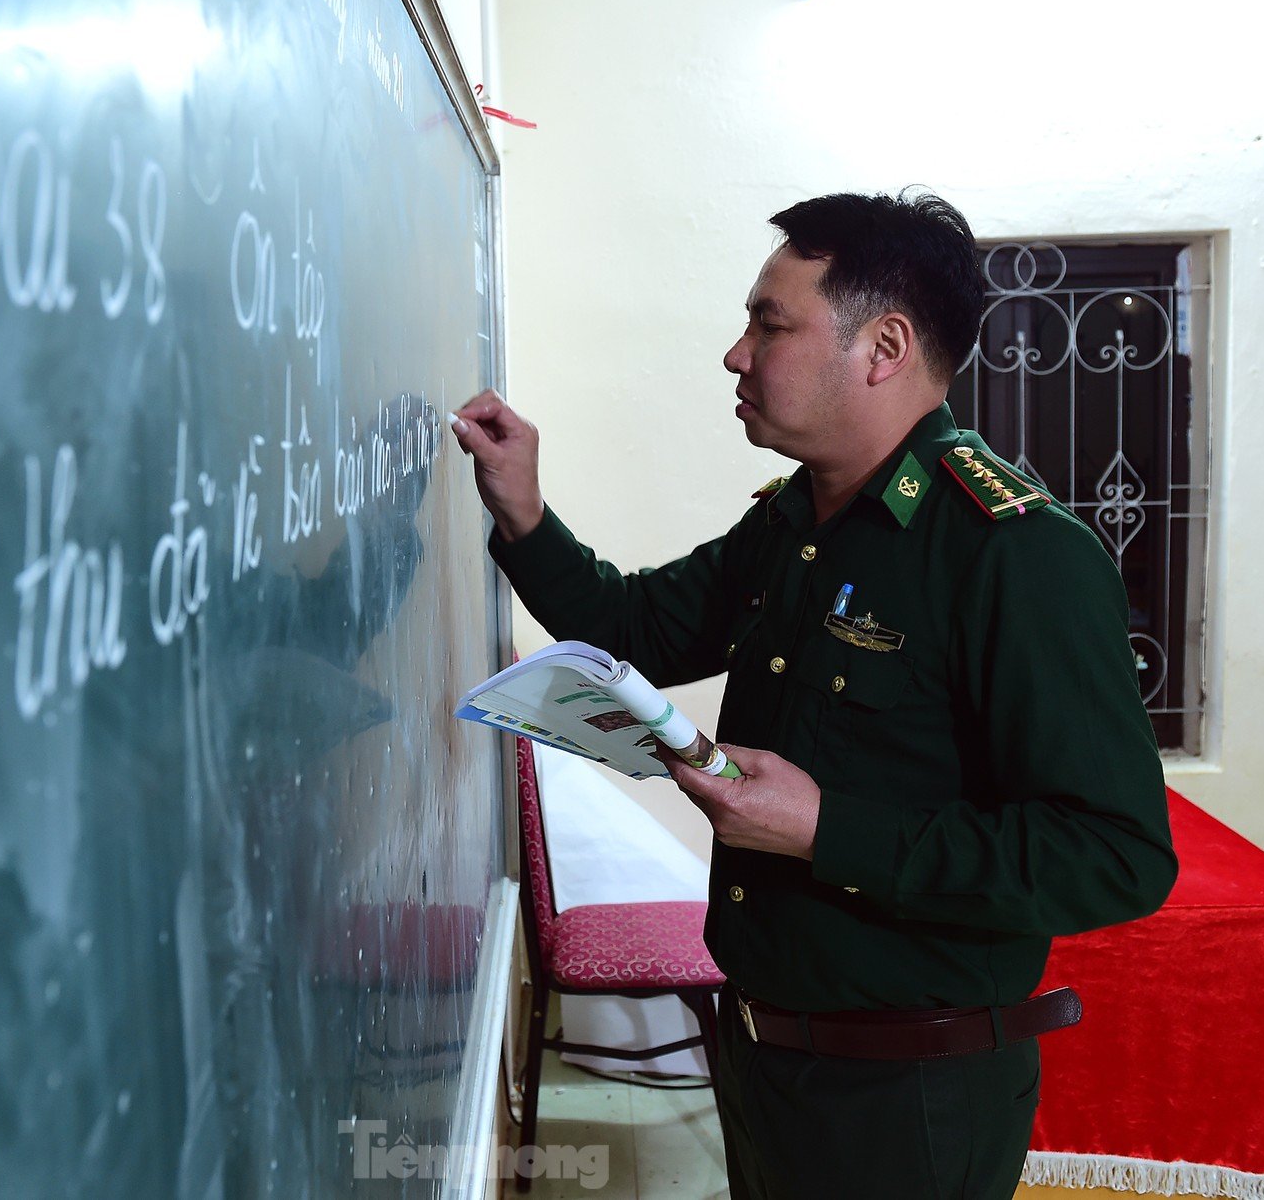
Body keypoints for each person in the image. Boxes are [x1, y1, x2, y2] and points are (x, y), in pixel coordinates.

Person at [451, 190, 1178, 1199]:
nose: (736, 354)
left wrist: (824, 828)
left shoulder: (1014, 555)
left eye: (768, 323)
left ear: (881, 347)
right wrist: (523, 511)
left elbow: (1115, 857)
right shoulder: (800, 518)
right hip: (763, 1058)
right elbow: (641, 629)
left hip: (907, 1097)